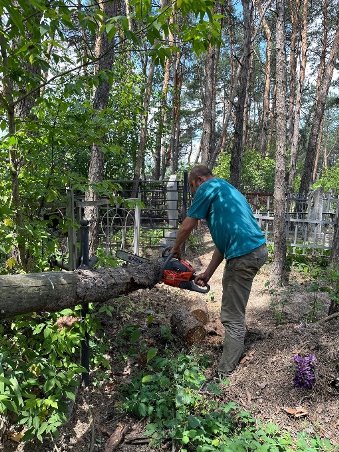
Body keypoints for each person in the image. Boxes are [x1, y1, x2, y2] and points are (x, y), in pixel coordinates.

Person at [171, 165, 268, 378]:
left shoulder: (207, 187)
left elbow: (187, 225)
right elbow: (222, 244)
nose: (195, 193)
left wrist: (175, 249)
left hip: (243, 255)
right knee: (234, 309)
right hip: (255, 250)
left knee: (231, 316)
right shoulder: (228, 189)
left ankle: (225, 374)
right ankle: (232, 355)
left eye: (192, 188)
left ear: (197, 181)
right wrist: (207, 273)